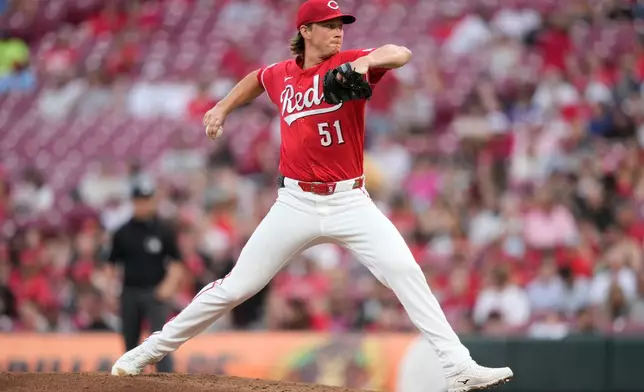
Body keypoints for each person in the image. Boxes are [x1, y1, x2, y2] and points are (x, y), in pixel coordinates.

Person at [111, 1, 514, 390]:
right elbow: (256, 78)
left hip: (350, 200)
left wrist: (366, 63)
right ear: (305, 31)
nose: (338, 31)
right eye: (329, 25)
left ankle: (458, 366)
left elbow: (401, 53)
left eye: (341, 25)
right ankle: (148, 350)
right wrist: (221, 108)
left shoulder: (348, 61)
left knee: (405, 272)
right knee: (237, 287)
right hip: (295, 202)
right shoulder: (283, 74)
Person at [107, 179, 183, 373]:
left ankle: (167, 381)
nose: (143, 204)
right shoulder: (122, 233)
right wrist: (112, 291)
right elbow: (111, 264)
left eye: (147, 200)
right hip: (130, 292)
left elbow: (176, 262)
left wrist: (168, 287)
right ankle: (130, 380)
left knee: (161, 341)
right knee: (129, 340)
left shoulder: (164, 230)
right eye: (139, 200)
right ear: (133, 202)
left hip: (155, 293)